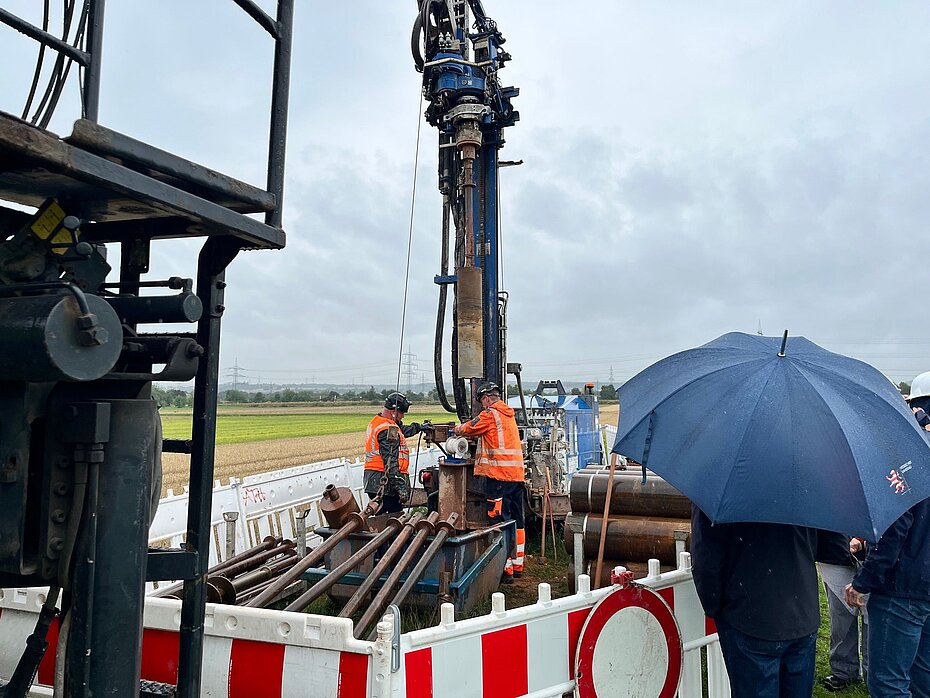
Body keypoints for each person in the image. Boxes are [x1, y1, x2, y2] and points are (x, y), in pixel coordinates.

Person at [691, 507, 821, 697]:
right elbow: (829, 544)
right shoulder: (807, 481)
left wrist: (715, 606)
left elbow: (705, 557)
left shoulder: (717, 486)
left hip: (748, 614)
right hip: (801, 611)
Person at [845, 493, 930, 696]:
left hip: (902, 589)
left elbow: (894, 530)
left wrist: (863, 581)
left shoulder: (905, 469)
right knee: (923, 677)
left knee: (888, 684)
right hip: (919, 583)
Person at [454, 382, 526, 582]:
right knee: (517, 521)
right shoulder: (508, 414)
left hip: (499, 477)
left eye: (482, 401)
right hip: (516, 476)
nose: (483, 405)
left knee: (498, 520)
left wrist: (456, 429)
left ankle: (505, 569)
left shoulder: (490, 414)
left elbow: (470, 428)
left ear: (486, 399)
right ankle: (518, 564)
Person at [817, 532, 869, 691]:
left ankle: (873, 673)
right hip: (835, 554)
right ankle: (843, 670)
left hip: (875, 557)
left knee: (872, 621)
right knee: (841, 619)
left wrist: (861, 539)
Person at [363, 392, 421, 514]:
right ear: (394, 411)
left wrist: (419, 427)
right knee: (393, 522)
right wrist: (399, 485)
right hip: (385, 483)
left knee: (384, 520)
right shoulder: (386, 429)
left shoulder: (382, 423)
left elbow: (402, 430)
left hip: (374, 480)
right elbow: (390, 460)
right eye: (402, 413)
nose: (403, 416)